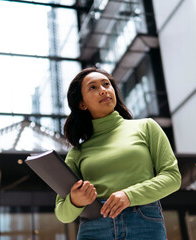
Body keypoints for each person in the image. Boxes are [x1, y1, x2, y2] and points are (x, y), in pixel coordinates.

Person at [55, 67, 181, 240]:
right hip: (94, 228)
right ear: (82, 104)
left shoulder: (146, 127)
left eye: (106, 84)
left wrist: (129, 196)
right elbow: (63, 214)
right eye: (93, 87)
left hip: (144, 223)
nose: (103, 90)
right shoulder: (77, 153)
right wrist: (75, 200)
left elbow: (172, 178)